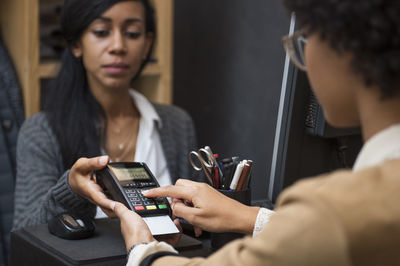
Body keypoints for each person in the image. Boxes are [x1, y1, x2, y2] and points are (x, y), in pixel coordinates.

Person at [87, 0, 400, 265]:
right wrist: (250, 217)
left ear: (345, 49)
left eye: (305, 42)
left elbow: (329, 229)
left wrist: (144, 249)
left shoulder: (335, 214)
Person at [12, 0, 198, 230]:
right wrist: (71, 191)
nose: (118, 46)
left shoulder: (177, 124)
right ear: (77, 44)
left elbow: (196, 223)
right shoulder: (41, 131)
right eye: (101, 32)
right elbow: (24, 235)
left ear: (147, 43)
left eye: (132, 33)